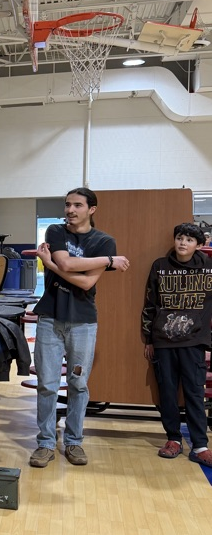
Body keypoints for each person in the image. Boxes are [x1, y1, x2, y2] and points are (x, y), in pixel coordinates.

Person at [30, 187, 129, 468]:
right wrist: (109, 262)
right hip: (50, 318)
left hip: (83, 323)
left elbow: (86, 282)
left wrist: (48, 263)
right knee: (47, 385)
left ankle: (74, 442)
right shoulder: (56, 231)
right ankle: (45, 443)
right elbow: (66, 262)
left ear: (92, 209)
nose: (70, 210)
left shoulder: (104, 240)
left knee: (78, 384)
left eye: (77, 205)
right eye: (67, 205)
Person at [141, 221, 212, 467]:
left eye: (189, 240)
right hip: (163, 341)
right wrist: (149, 338)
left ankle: (200, 446)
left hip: (195, 341)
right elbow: (150, 303)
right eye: (180, 237)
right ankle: (173, 439)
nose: (183, 243)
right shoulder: (160, 267)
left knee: (194, 392)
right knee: (168, 393)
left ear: (200, 245)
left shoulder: (209, 268)